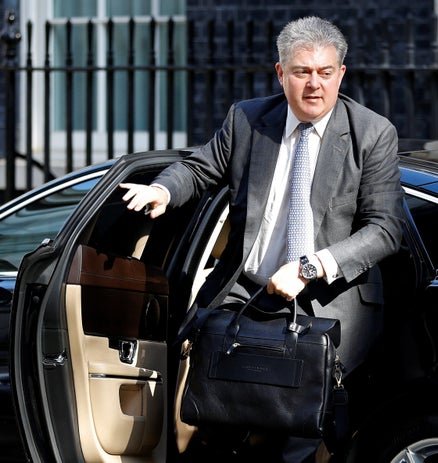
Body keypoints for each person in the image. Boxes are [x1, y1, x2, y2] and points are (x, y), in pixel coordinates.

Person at [120, 15, 404, 463]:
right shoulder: (248, 120)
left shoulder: (371, 133)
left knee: (299, 431)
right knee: (207, 409)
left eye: (326, 73)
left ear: (341, 74)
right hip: (246, 292)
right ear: (280, 73)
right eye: (302, 72)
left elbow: (386, 228)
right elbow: (199, 169)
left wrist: (310, 266)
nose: (315, 85)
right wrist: (162, 190)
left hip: (327, 300)